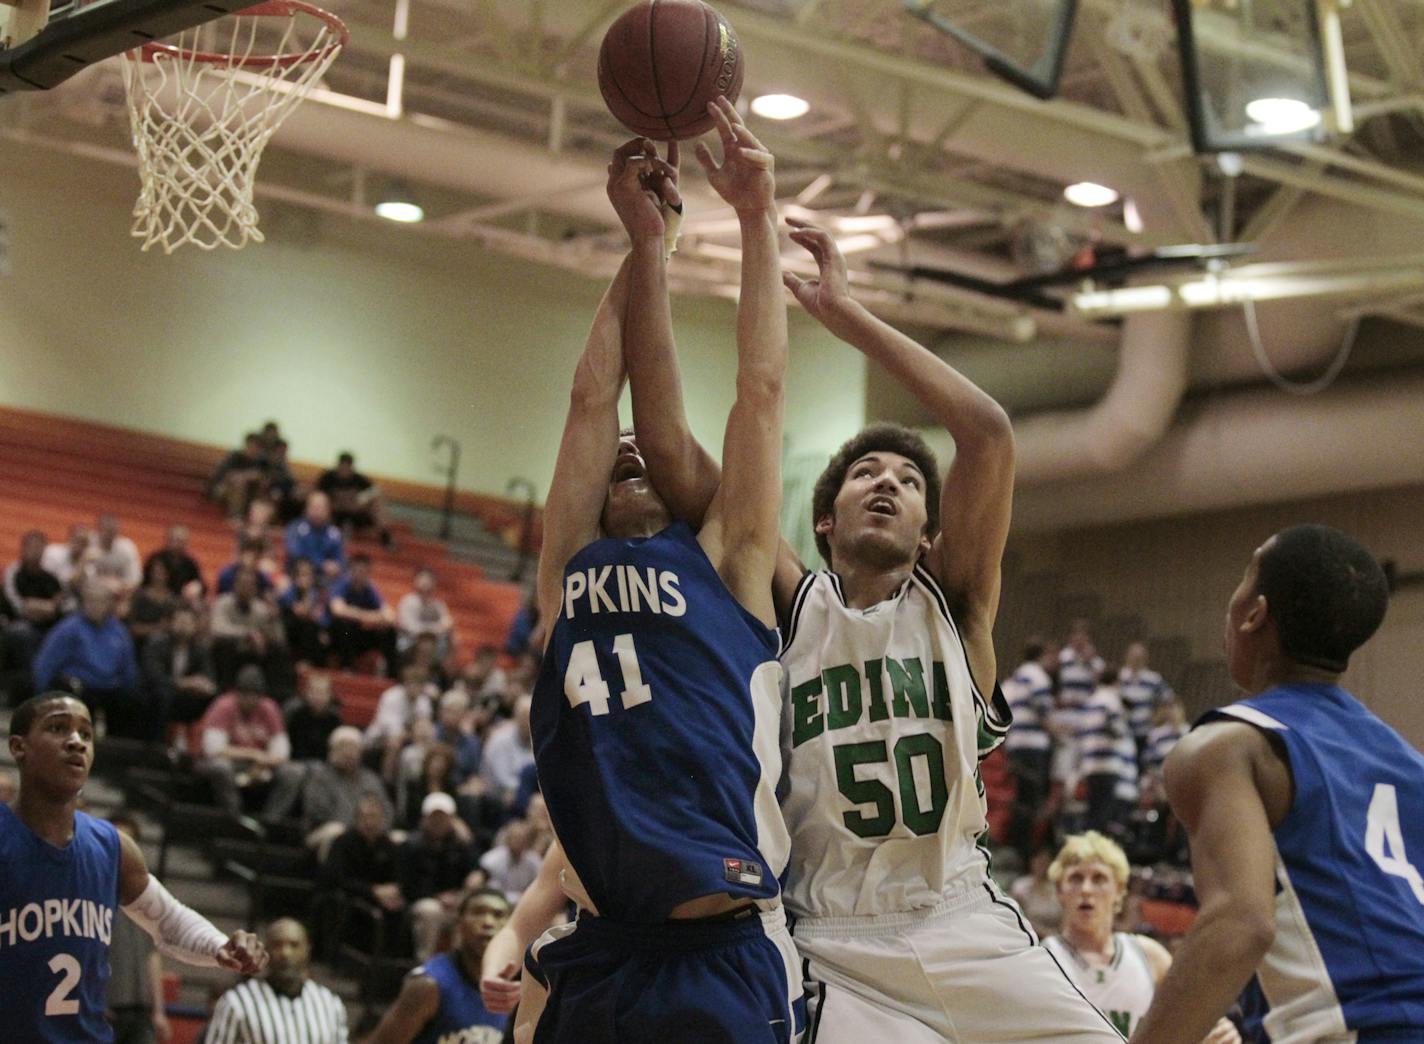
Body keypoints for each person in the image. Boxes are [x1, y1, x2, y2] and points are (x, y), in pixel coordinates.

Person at [633, 201, 1120, 1036]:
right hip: (831, 938)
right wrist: (649, 247)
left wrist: (848, 316)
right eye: (865, 472)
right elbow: (670, 449)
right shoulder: (787, 601)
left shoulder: (955, 605)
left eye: (907, 477)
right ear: (824, 520)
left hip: (961, 917)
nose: (887, 481)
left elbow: (988, 433)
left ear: (932, 533)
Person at [526, 107, 802, 1043]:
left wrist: (757, 219)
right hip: (601, 946)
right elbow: (592, 395)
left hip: (718, 952)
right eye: (618, 457)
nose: (631, 451)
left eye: (649, 453)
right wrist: (645, 242)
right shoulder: (568, 574)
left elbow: (759, 391)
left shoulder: (728, 560)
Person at [1131, 525, 1424, 1044]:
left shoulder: (1228, 745)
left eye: (1244, 577)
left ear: (1254, 613)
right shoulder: (1408, 762)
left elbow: (1241, 924)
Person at [1, 692, 266, 1041]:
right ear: (19, 747)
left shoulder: (112, 846)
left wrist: (219, 946)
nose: (76, 742)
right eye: (58, 728)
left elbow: (167, 920)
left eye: (86, 734)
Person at [1045, 832, 1240, 1042]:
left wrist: (1219, 1034)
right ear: (1059, 891)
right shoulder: (1041, 958)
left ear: (1119, 890)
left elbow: (1196, 1021)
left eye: (1099, 878)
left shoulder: (1151, 956)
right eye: (1076, 878)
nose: (1086, 890)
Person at [368, 889, 512, 1044]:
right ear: (458, 922)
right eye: (478, 912)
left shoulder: (507, 987)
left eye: (498, 915)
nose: (488, 923)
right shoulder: (428, 985)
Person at [33, 579, 145, 740]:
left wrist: (131, 689)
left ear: (109, 604)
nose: (95, 605)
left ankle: (121, 752)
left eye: (100, 601)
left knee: (135, 701)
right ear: (84, 602)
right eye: (91, 600)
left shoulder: (119, 632)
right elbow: (46, 664)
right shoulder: (69, 629)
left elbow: (128, 669)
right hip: (79, 686)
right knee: (77, 699)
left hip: (110, 688)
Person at [204, 919, 347, 1043]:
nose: (285, 953)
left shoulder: (330, 1004)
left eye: (294, 945)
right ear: (265, 950)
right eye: (278, 945)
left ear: (307, 950)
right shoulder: (236, 1002)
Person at [105, 813, 169, 1044]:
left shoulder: (145, 898)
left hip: (141, 1010)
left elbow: (152, 955)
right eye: (117, 840)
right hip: (106, 1008)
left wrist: (159, 1011)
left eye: (129, 840)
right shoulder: (91, 887)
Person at [195, 665, 290, 815]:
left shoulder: (269, 708)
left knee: (292, 772)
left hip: (259, 765)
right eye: (245, 694)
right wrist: (253, 755)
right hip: (221, 762)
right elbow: (213, 749)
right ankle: (235, 819)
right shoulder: (224, 705)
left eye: (254, 695)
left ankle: (270, 822)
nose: (249, 700)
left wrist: (263, 763)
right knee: (221, 768)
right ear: (237, 693)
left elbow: (282, 752)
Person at [399, 792, 477, 962]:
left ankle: (460, 969)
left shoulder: (459, 845)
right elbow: (406, 886)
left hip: (453, 903)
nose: (438, 822)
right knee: (431, 911)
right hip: (420, 902)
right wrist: (437, 897)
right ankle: (424, 966)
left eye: (443, 817)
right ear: (425, 818)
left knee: (468, 914)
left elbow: (475, 870)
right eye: (434, 817)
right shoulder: (411, 845)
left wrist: (474, 879)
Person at [1003, 638, 1057, 860]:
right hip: (1033, 746)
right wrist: (1060, 733)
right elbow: (1043, 711)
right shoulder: (1037, 676)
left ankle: (1017, 849)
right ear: (1042, 655)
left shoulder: (1013, 679)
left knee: (1020, 800)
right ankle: (1028, 854)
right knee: (1032, 802)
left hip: (1014, 744)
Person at [3, 530, 64, 701]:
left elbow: (58, 607)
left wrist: (39, 608)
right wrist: (42, 608)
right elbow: (18, 606)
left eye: (40, 547)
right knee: (22, 633)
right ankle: (33, 687)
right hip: (18, 625)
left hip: (47, 627)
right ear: (23, 548)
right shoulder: (14, 572)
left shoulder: (51, 577)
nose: (35, 551)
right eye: (32, 546)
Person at [328, 554, 398, 673]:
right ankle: (347, 668)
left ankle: (391, 673)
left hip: (358, 636)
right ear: (350, 570)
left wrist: (357, 614)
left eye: (363, 571)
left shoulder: (370, 590)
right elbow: (338, 610)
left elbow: (389, 616)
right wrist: (371, 616)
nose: (359, 574)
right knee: (344, 624)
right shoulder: (341, 585)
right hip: (337, 636)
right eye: (356, 570)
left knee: (389, 630)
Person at [285, 492, 347, 581]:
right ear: (306, 508)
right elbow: (295, 553)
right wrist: (322, 564)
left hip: (325, 580)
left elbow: (340, 558)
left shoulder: (335, 533)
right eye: (314, 507)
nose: (318, 511)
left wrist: (336, 566)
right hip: (296, 577)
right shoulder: (295, 527)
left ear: (329, 510)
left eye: (321, 508)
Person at [397, 567, 454, 659]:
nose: (425, 582)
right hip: (410, 641)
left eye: (429, 579)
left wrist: (431, 632)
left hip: (432, 642)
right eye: (422, 578)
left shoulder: (438, 605)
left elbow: (447, 623)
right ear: (415, 581)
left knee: (450, 639)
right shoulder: (407, 601)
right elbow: (410, 628)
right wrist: (433, 631)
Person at [143, 524, 205, 603]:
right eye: (175, 540)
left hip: (180, 603)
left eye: (182, 541)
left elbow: (201, 584)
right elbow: (144, 583)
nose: (178, 544)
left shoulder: (190, 564)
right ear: (167, 540)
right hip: (156, 601)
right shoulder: (156, 559)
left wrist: (196, 587)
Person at [89, 515, 142, 597]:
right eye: (106, 531)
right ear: (98, 530)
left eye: (112, 532)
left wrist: (120, 586)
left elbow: (135, 579)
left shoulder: (127, 548)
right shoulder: (89, 544)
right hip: (92, 593)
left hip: (120, 593)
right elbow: (87, 577)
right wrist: (106, 583)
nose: (109, 535)